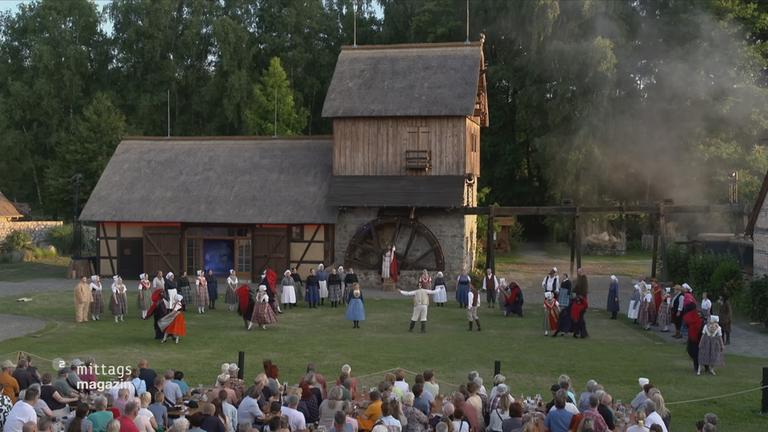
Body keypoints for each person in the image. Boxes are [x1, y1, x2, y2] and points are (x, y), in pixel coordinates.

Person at [683, 305, 704, 374]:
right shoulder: (692, 316)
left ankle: (698, 366)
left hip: (698, 338)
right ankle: (697, 366)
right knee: (693, 352)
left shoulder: (700, 320)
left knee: (696, 353)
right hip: (693, 338)